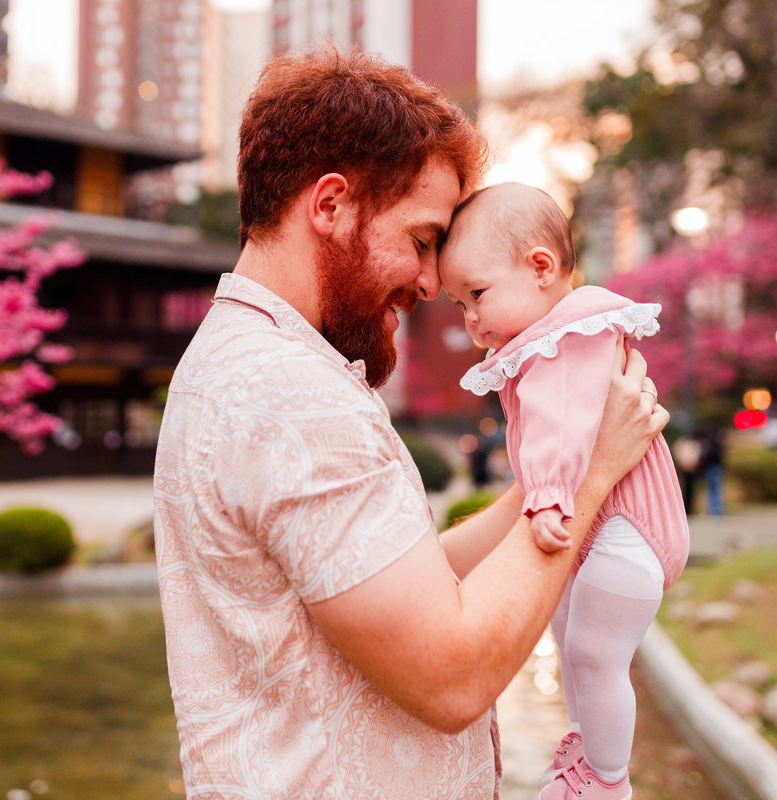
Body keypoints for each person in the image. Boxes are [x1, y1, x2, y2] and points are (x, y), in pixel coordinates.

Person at [152, 48, 669, 800]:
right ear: (329, 206)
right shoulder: (288, 395)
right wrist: (586, 486)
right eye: (423, 240)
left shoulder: (252, 359)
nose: (430, 283)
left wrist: (555, 475)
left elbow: (406, 576)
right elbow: (453, 678)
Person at [440, 183, 690, 800]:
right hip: (601, 526)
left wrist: (547, 497)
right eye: (458, 305)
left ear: (541, 267)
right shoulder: (549, 340)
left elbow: (565, 422)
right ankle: (587, 748)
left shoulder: (572, 335)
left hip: (625, 527)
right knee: (571, 638)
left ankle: (607, 780)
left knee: (592, 655)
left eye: (476, 294)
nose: (470, 319)